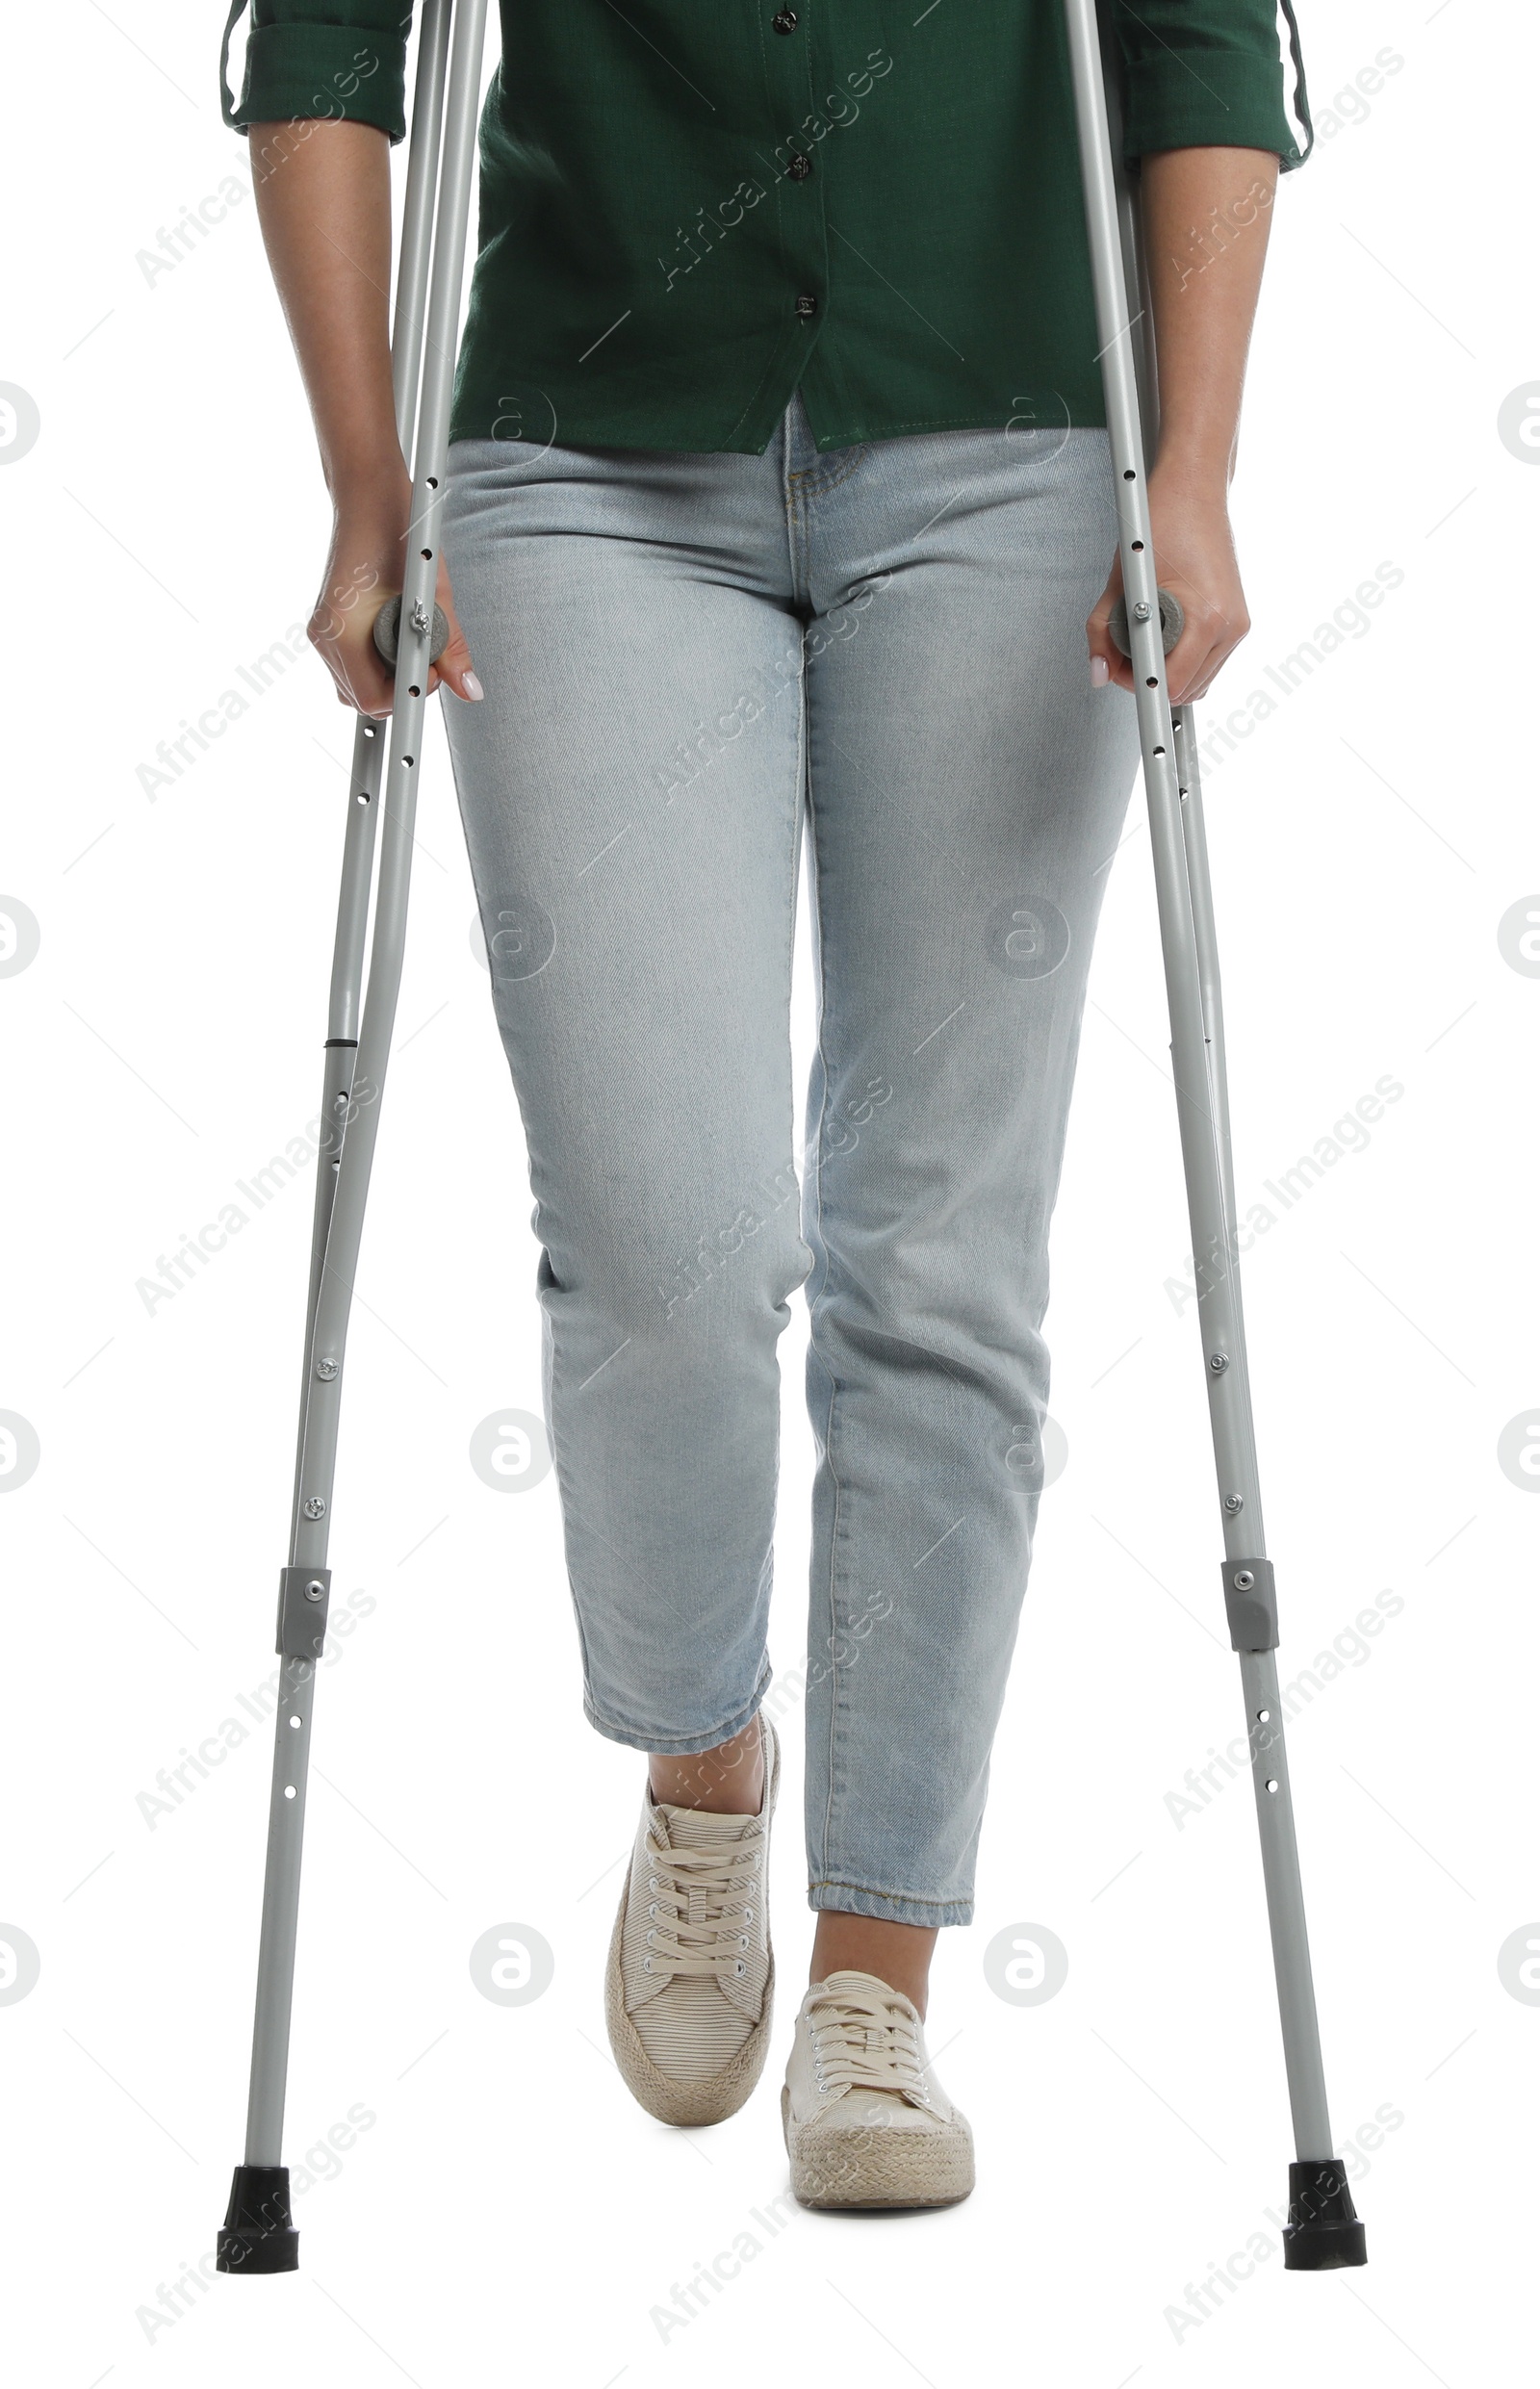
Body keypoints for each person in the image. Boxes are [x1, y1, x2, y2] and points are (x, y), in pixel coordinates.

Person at [221, 0, 1310, 2211]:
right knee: (662, 1236)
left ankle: (874, 1986)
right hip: (584, 462)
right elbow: (324, 40)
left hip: (1012, 451)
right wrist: (364, 487)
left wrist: (1185, 473)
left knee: (935, 1246)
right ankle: (704, 1765)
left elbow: (1202, 37)